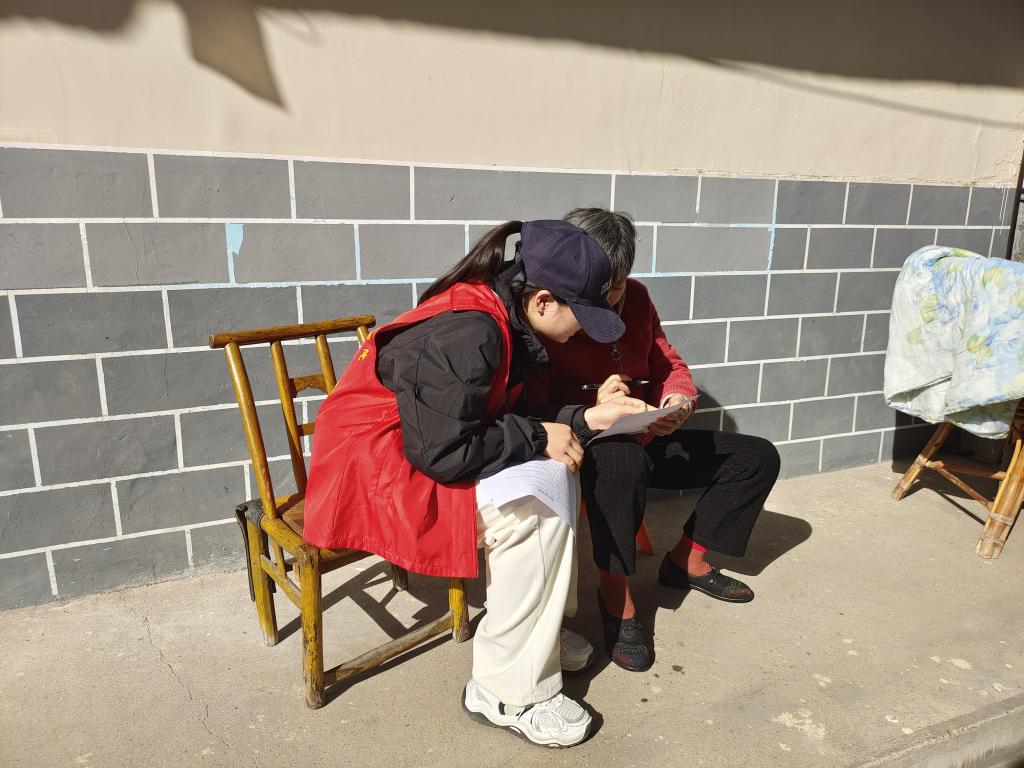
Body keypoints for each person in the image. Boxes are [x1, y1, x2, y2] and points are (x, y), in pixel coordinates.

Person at [303, 220, 650, 747]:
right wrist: (540, 434)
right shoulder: (469, 332)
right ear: (543, 301)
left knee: (559, 467)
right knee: (532, 507)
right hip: (373, 473)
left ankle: (535, 635)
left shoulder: (511, 318)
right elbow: (446, 452)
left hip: (419, 450)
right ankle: (507, 692)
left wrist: (587, 419)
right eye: (583, 315)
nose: (584, 330)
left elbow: (508, 416)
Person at [525, 208, 781, 673]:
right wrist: (591, 407)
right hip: (585, 446)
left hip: (646, 434)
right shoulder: (551, 312)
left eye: (615, 285)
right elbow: (530, 405)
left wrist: (677, 401)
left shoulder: (638, 299)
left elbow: (668, 364)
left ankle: (686, 563)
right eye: (595, 287)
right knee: (620, 462)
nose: (607, 298)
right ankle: (615, 596)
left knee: (756, 457)